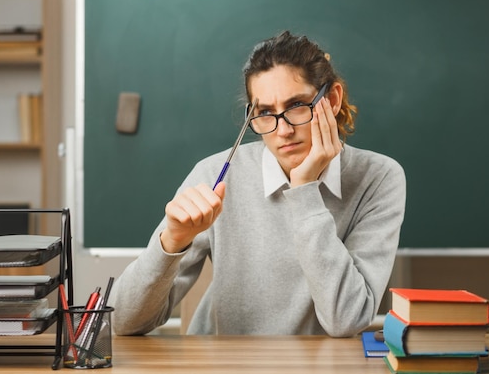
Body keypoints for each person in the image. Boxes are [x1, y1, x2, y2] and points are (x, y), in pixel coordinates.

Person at [112, 31, 406, 337]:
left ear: (331, 100)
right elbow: (122, 322)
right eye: (265, 112)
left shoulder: (379, 177)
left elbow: (347, 319)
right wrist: (171, 242)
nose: (283, 130)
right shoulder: (216, 174)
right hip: (224, 364)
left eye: (296, 106)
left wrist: (303, 188)